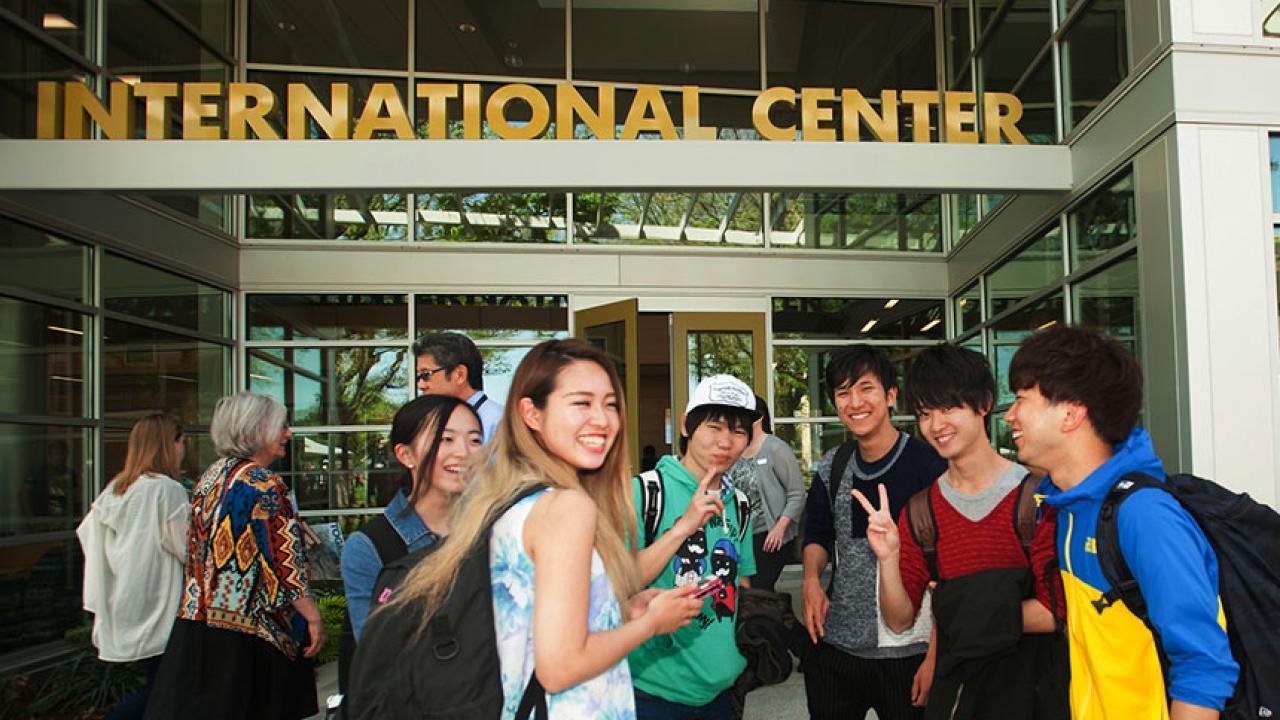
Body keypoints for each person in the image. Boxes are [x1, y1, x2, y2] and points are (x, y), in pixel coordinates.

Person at [385, 339, 702, 718]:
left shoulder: (512, 498)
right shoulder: (566, 507)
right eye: (581, 403)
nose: (602, 420)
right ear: (531, 414)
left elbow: (534, 627)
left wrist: (621, 612)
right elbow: (560, 668)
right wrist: (651, 624)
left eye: (611, 404)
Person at [1004, 325, 1238, 720]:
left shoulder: (1144, 515)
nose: (1010, 415)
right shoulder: (1069, 510)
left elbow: (1203, 667)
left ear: (1070, 413)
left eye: (1022, 399)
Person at [854, 344, 1067, 719]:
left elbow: (1057, 612)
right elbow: (900, 620)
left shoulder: (1039, 498)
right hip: (959, 696)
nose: (936, 425)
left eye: (948, 407)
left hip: (1034, 692)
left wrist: (959, 612)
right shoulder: (922, 512)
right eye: (924, 413)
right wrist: (888, 560)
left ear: (983, 403)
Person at [145, 392, 325, 720]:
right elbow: (283, 559)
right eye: (281, 426)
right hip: (254, 631)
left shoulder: (211, 479)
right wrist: (312, 616)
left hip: (201, 623)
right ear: (256, 430)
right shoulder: (265, 484)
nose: (288, 434)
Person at [800, 345, 946, 720]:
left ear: (891, 396)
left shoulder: (927, 465)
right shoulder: (835, 464)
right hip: (836, 647)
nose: (855, 402)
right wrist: (812, 580)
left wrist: (935, 658)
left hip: (907, 653)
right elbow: (817, 532)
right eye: (843, 392)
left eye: (866, 388)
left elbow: (946, 573)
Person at [629, 374, 758, 719]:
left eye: (738, 431)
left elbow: (740, 584)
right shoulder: (644, 493)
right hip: (653, 691)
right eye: (714, 427)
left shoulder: (741, 503)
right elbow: (620, 582)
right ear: (686, 426)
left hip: (721, 689)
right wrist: (683, 528)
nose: (726, 442)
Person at [76, 413, 189, 720]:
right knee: (169, 690)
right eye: (180, 441)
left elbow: (88, 535)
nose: (184, 448)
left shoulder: (115, 489)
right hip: (161, 606)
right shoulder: (165, 490)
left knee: (159, 685)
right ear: (169, 445)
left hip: (127, 602)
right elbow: (187, 549)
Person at [342, 394, 483, 640]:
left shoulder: (494, 528)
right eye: (446, 439)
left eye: (475, 440)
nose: (464, 452)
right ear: (406, 455)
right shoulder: (370, 547)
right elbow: (375, 654)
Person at [734, 394, 804, 593]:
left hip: (769, 536)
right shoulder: (736, 449)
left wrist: (779, 528)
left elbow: (797, 494)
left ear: (758, 418)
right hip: (741, 536)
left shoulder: (775, 448)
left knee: (760, 593)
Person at [414, 331, 503, 442]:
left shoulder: (499, 422)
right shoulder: (436, 420)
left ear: (459, 374)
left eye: (426, 375)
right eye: (418, 376)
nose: (420, 385)